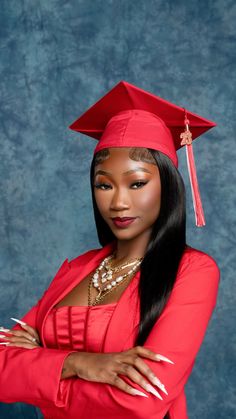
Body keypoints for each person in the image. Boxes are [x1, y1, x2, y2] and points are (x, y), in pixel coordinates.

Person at [0, 81, 220, 419]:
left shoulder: (192, 271)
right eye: (104, 184)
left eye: (137, 183)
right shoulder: (77, 268)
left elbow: (142, 403)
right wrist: (81, 363)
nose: (118, 202)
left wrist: (38, 371)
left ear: (168, 185)